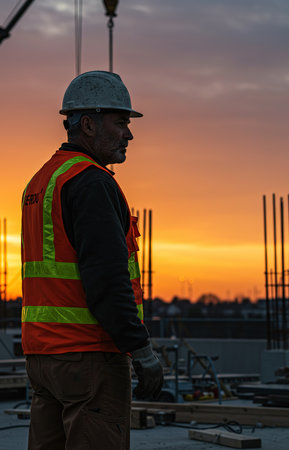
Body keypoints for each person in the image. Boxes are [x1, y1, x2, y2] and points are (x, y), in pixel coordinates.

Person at [21, 70, 164, 450]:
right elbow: (107, 280)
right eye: (120, 123)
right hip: (89, 356)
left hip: (44, 357)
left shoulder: (41, 182)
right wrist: (142, 349)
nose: (128, 135)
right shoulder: (92, 182)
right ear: (87, 124)